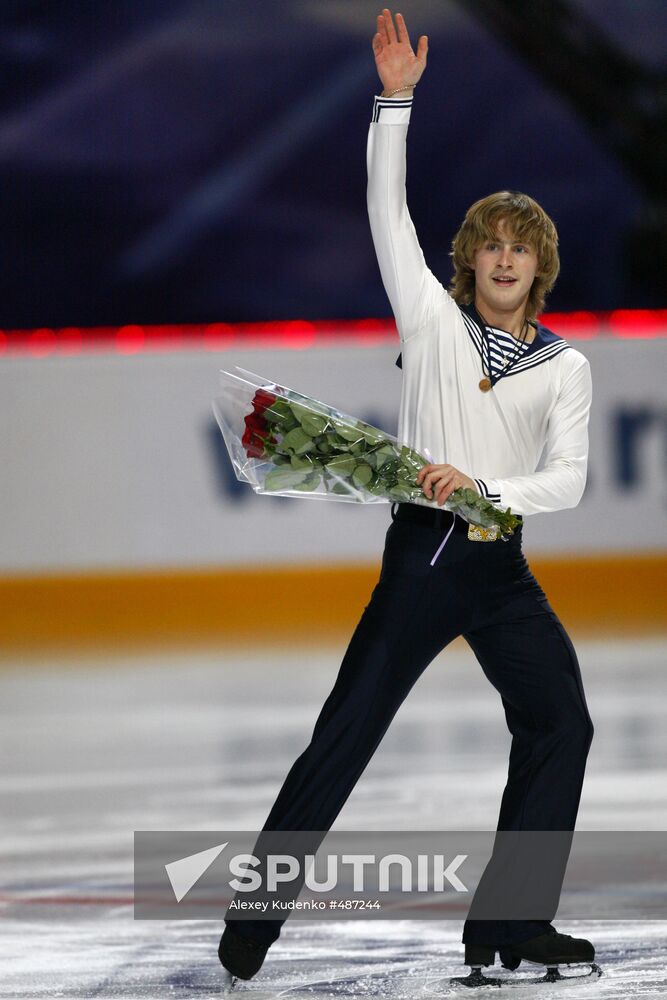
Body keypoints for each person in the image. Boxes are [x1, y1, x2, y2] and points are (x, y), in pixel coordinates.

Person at [219, 7, 596, 988]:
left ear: (538, 265)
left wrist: (488, 485)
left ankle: (509, 923)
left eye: (522, 247)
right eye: (490, 245)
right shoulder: (430, 323)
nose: (505, 258)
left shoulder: (565, 368)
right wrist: (394, 102)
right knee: (345, 735)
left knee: (560, 719)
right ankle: (252, 923)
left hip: (499, 560)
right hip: (424, 555)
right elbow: (388, 213)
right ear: (468, 259)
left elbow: (567, 480)